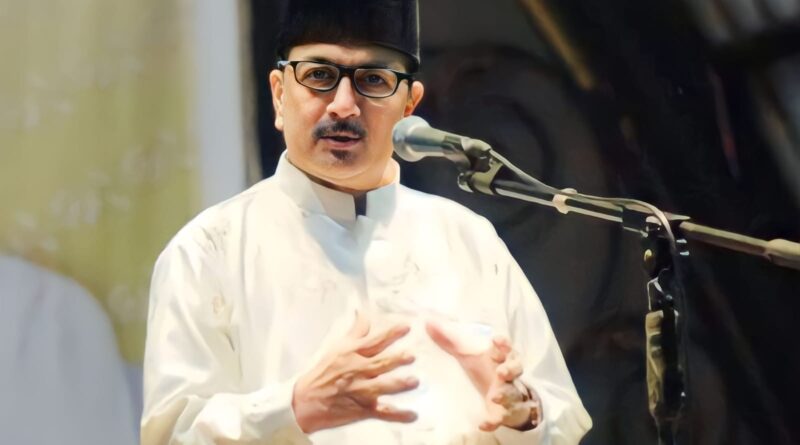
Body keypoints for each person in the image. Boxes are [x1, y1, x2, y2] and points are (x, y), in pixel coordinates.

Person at [140, 0, 592, 443]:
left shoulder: (468, 240)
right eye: (319, 76)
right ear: (279, 94)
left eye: (373, 80)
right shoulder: (209, 251)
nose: (344, 105)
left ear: (409, 105)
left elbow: (561, 416)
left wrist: (522, 414)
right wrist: (294, 406)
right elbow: (172, 434)